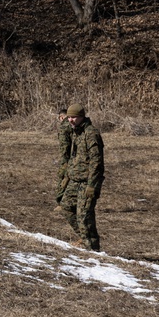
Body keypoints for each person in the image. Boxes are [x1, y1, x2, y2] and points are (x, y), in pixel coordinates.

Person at [58, 104, 104, 251]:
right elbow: (73, 157)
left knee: (84, 217)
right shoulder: (76, 132)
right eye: (69, 117)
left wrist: (92, 185)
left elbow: (96, 161)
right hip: (75, 180)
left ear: (82, 117)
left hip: (86, 182)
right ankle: (84, 239)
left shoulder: (91, 134)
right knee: (65, 207)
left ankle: (93, 250)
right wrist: (67, 176)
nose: (70, 120)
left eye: (74, 117)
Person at [54, 107, 73, 208]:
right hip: (77, 157)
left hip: (67, 158)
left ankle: (60, 203)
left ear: (61, 117)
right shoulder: (74, 124)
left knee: (62, 178)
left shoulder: (63, 127)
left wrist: (65, 160)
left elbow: (64, 146)